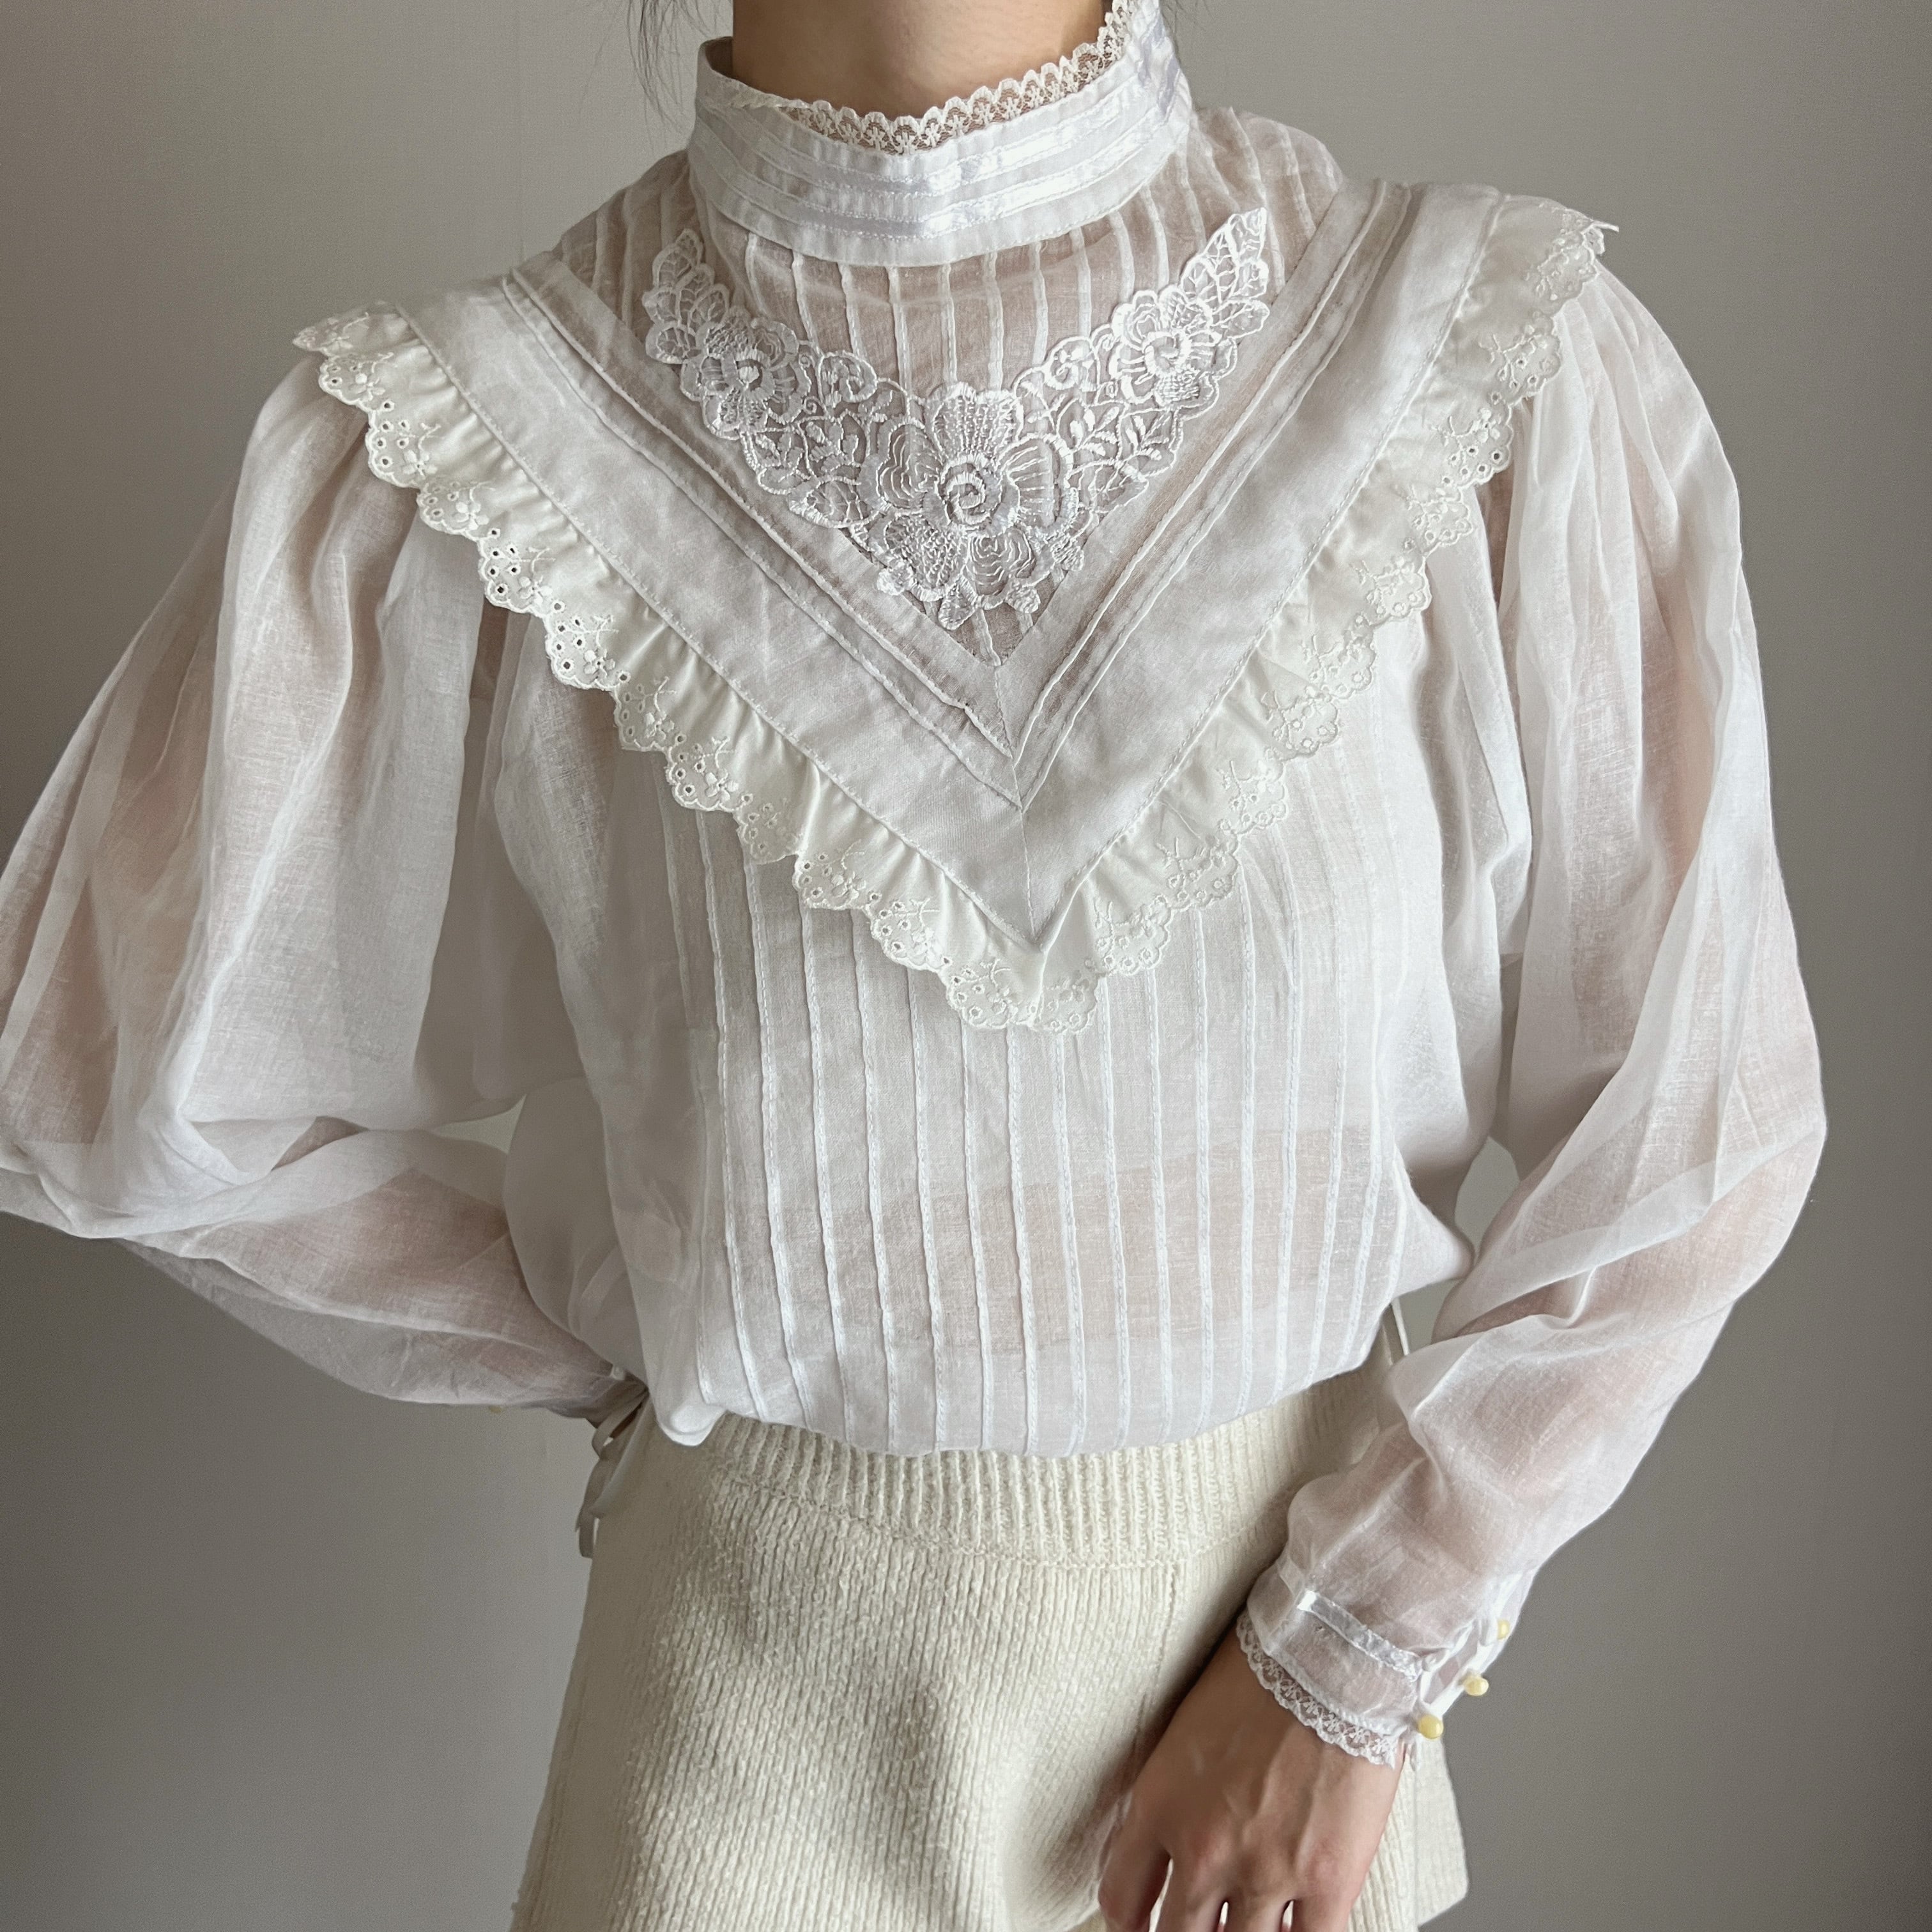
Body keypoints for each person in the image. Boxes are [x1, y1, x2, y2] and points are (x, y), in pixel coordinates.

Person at [0, 1, 1827, 1927]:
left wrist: (1354, 1654)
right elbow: (95, 1084)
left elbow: (1696, 1129)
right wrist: (654, 1348)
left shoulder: (1473, 360)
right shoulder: (487, 439)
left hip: (1284, 1839)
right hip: (725, 1810)